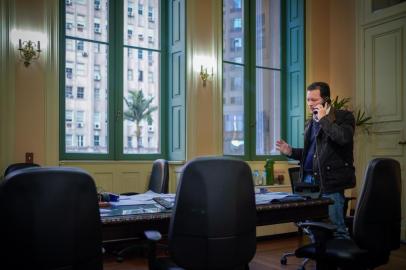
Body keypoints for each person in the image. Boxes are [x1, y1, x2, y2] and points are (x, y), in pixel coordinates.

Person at [276, 81, 356, 239]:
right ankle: (322, 262)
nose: (310, 104)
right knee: (312, 227)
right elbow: (311, 153)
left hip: (329, 183)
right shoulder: (310, 123)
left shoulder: (343, 117)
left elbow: (343, 138)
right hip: (308, 182)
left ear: (326, 100)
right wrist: (291, 151)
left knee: (336, 229)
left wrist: (324, 119)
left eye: (314, 100)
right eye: (308, 100)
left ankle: (344, 262)